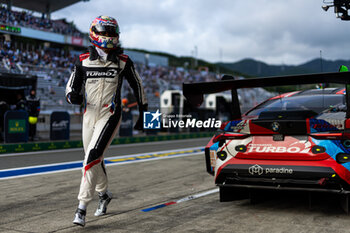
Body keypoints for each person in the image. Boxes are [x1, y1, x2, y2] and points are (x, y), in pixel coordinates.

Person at [65, 15, 147, 227]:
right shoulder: (82, 59)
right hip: (89, 115)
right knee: (94, 159)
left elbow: (137, 85)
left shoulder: (124, 61)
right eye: (105, 32)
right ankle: (104, 194)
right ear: (95, 33)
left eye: (112, 33)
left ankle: (81, 208)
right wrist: (73, 95)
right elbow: (71, 85)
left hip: (110, 114)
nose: (109, 37)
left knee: (91, 156)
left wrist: (143, 111)